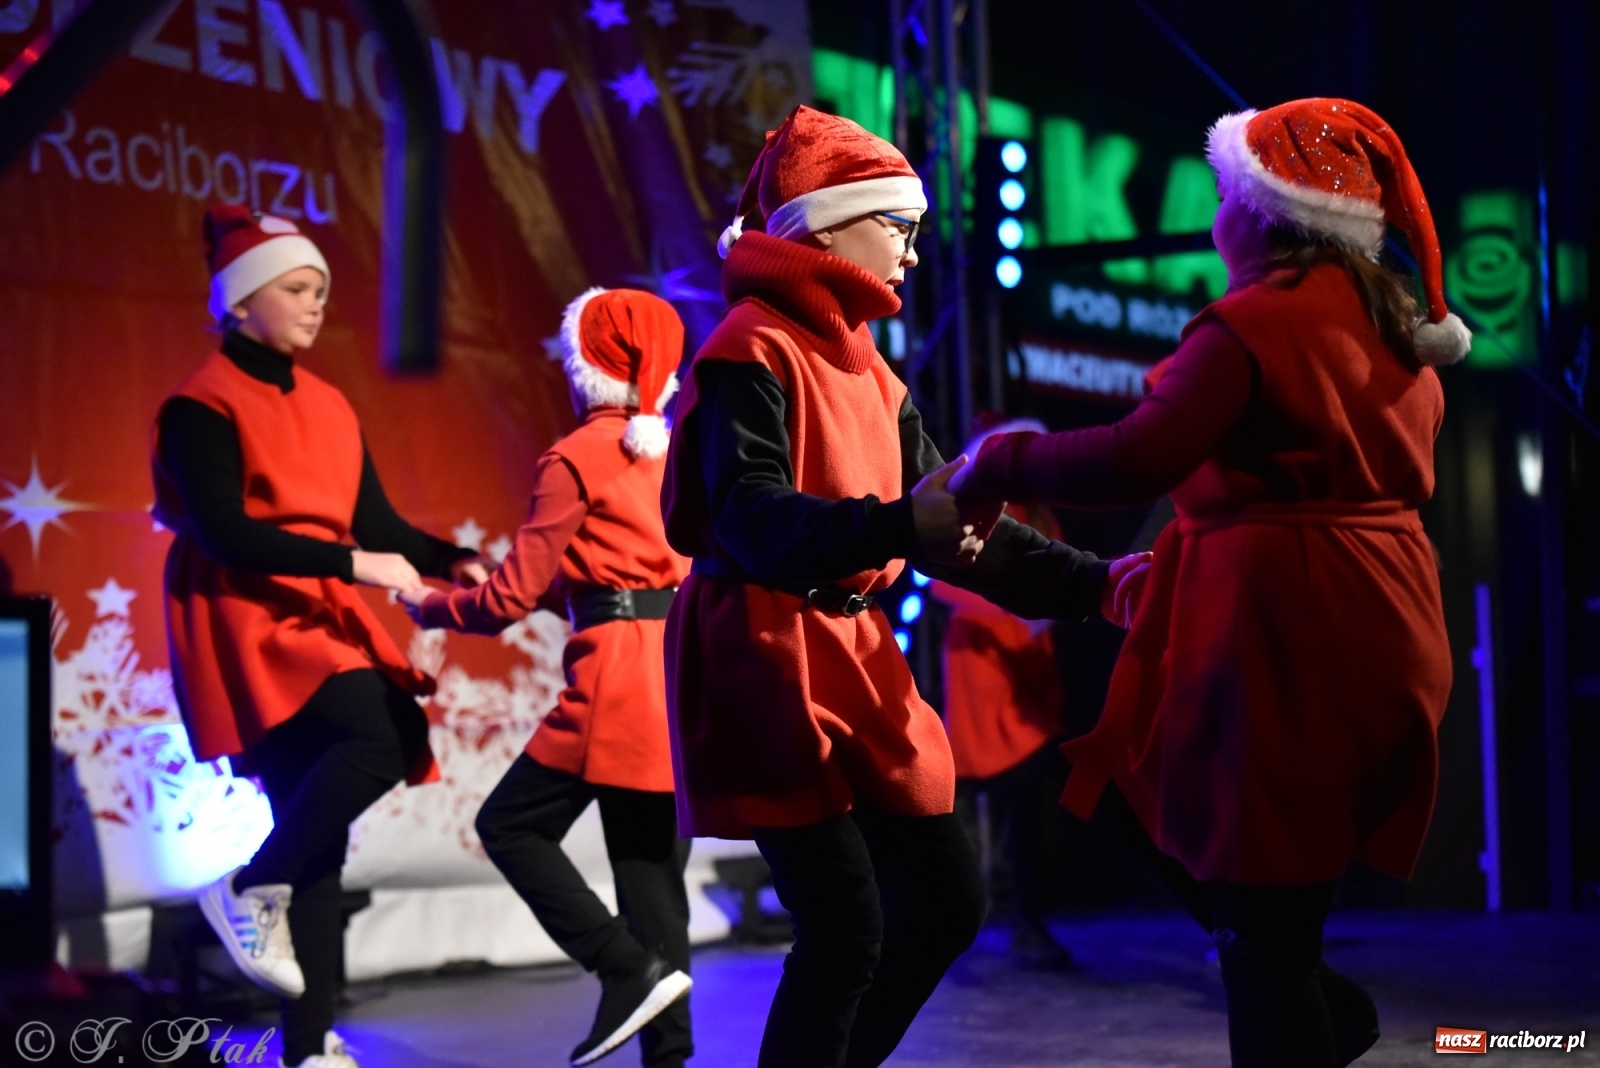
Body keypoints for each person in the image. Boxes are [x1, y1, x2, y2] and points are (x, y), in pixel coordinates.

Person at [951, 97, 1469, 1067]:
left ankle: (1300, 992)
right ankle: (1314, 994)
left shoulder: (1256, 325)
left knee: (1255, 912)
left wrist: (997, 464)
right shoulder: (1397, 331)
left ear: (1259, 216)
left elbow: (1133, 458)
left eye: (1222, 198)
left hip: (1288, 624)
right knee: (1163, 811)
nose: (1214, 219)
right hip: (1377, 609)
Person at [660, 104, 1146, 1068]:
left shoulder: (875, 373)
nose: (913, 257)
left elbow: (960, 531)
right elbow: (754, 521)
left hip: (854, 653)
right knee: (844, 925)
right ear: (823, 225)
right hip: (764, 653)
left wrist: (1102, 586)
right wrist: (893, 524)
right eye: (900, 229)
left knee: (945, 901)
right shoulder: (746, 351)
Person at [153, 206, 486, 1068]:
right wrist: (355, 564)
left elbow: (375, 520)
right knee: (383, 730)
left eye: (322, 292)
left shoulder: (331, 402)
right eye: (298, 289)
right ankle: (247, 884)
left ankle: (306, 1044)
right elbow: (226, 533)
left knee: (321, 838)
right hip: (248, 615)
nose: (316, 305)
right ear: (239, 302)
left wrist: (456, 559)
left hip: (316, 605)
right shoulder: (199, 405)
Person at [400, 287, 693, 1068]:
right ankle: (666, 1048)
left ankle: (622, 965)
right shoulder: (684, 450)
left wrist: (432, 606)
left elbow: (506, 601)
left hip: (617, 677)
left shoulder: (577, 457)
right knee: (652, 872)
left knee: (511, 826)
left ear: (585, 366)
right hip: (680, 669)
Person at [928, 420, 1077, 972]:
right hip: (983, 677)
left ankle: (1028, 922)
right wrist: (1015, 608)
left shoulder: (1043, 515)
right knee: (957, 801)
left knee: (1032, 809)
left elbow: (1062, 579)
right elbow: (941, 582)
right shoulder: (975, 507)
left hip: (1029, 683)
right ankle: (946, 921)